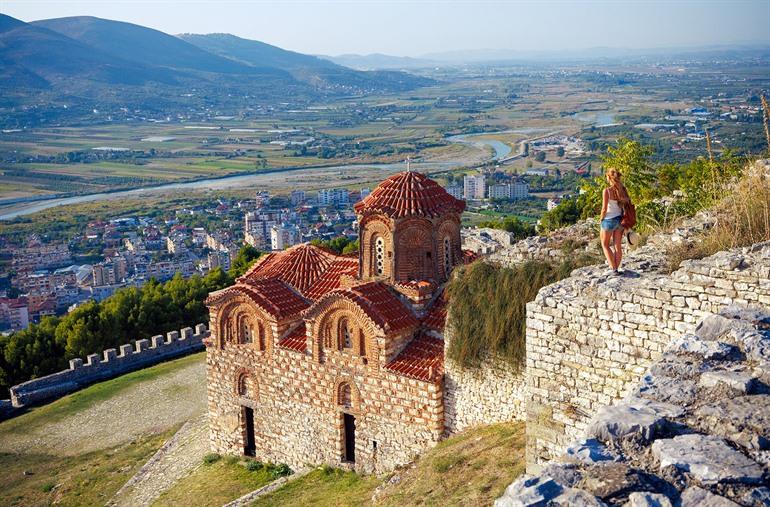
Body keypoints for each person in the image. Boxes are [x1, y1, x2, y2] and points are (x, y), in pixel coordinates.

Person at [599, 168, 631, 275]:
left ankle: (613, 269)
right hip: (620, 220)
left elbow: (604, 208)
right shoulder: (623, 190)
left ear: (609, 177)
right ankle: (616, 268)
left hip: (608, 220)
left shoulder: (607, 191)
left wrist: (601, 219)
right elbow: (627, 203)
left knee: (605, 245)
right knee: (617, 245)